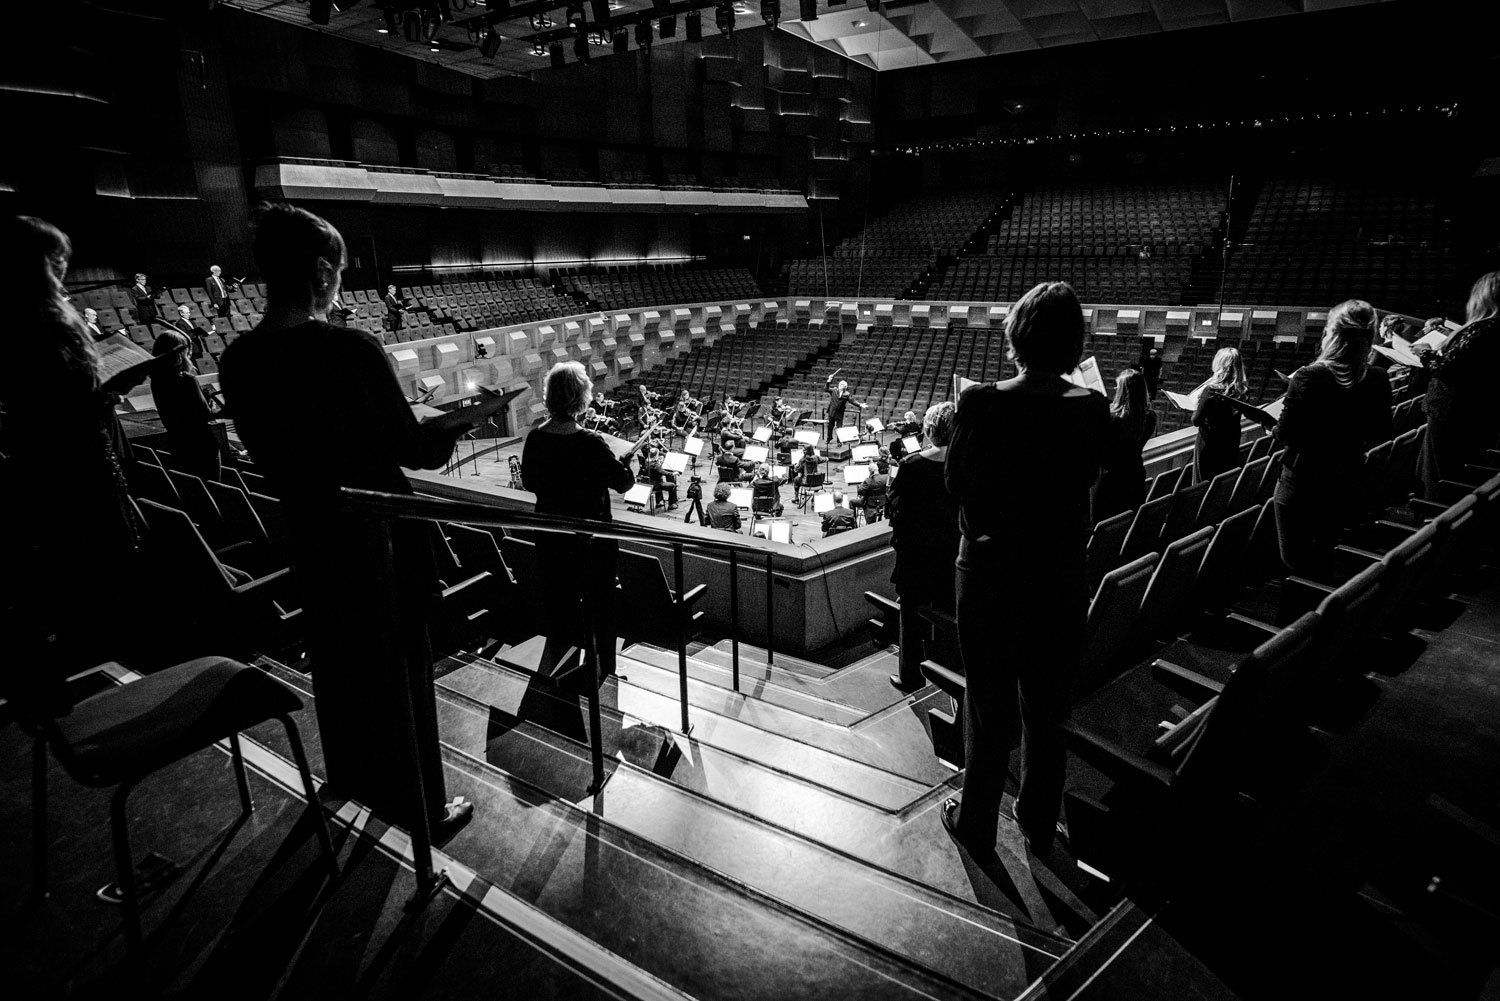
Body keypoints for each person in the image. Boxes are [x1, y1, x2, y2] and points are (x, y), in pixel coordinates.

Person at [219, 203, 472, 842]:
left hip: (310, 532)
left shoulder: (238, 359)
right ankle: (423, 808)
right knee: (403, 670)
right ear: (324, 270)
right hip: (378, 538)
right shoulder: (352, 349)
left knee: (337, 660)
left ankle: (352, 780)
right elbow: (413, 451)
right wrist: (460, 423)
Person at [943, 280, 1108, 857]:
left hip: (989, 575)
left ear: (1017, 335)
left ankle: (977, 823)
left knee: (988, 708)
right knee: (1048, 709)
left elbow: (956, 483)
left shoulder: (981, 402)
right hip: (1059, 576)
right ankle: (1038, 820)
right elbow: (1087, 480)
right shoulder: (1092, 406)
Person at [0, 216, 141, 677]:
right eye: (57, 259)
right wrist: (107, 391)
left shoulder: (12, 320)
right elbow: (60, 405)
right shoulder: (42, 323)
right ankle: (115, 669)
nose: (64, 268)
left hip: (47, 463)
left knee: (81, 568)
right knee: (102, 561)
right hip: (77, 466)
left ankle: (99, 664)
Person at [522, 360, 637, 679]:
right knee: (601, 609)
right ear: (581, 398)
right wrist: (625, 465)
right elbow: (624, 484)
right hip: (591, 544)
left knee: (561, 608)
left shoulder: (535, 438)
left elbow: (530, 482)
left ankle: (561, 677)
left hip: (550, 537)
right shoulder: (590, 442)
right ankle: (604, 675)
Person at [1272, 300, 1393, 574]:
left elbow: (1287, 434)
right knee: (1326, 549)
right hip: (1348, 477)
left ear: (1332, 335)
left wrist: (1275, 428)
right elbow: (1382, 431)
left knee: (1295, 560)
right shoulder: (1377, 377)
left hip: (1302, 482)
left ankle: (1302, 608)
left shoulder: (1308, 376)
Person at [885, 401, 959, 691]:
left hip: (918, 555)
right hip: (954, 552)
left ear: (928, 430)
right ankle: (949, 672)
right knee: (949, 611)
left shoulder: (912, 465)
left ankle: (911, 677)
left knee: (911, 616)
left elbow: (897, 512)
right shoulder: (966, 461)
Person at [1415, 272, 1500, 499]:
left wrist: (1424, 352)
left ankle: (1434, 523)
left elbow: (1447, 369)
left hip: (1451, 414)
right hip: (1478, 413)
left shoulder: (1483, 328)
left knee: (1441, 479)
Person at [150, 329, 221, 481]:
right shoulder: (187, 380)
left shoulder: (156, 380)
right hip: (201, 445)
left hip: (177, 443)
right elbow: (204, 415)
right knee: (211, 487)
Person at [1095, 368, 1156, 520]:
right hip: (1135, 475)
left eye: (1117, 387)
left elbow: (1101, 449)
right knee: (1129, 521)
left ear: (1123, 391)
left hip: (1112, 480)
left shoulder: (1113, 419)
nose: (1115, 389)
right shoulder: (1149, 417)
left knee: (1105, 524)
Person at [1191, 346, 1247, 483]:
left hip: (1209, 445)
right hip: (1230, 443)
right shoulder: (1242, 390)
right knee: (1222, 483)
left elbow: (1196, 420)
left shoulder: (1211, 390)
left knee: (1203, 484)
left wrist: (1196, 407)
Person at [855, 458, 890, 522]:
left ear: (870, 472)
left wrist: (861, 485)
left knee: (852, 502)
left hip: (870, 503)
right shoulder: (885, 477)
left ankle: (854, 522)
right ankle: (880, 515)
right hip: (882, 501)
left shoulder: (868, 481)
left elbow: (859, 491)